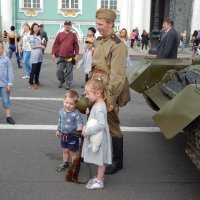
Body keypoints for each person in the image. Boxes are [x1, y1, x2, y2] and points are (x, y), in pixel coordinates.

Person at [90, 8, 128, 174]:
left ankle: (118, 161)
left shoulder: (118, 45)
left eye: (100, 24)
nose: (97, 26)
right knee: (92, 117)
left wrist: (110, 100)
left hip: (108, 89)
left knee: (112, 123)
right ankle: (95, 151)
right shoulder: (99, 40)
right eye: (97, 23)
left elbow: (118, 76)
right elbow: (95, 66)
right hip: (96, 86)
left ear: (110, 23)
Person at [82, 79, 112, 189]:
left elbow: (101, 124)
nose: (86, 96)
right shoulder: (99, 103)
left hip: (100, 138)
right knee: (100, 159)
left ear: (98, 93)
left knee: (101, 160)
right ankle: (99, 178)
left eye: (88, 93)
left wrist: (87, 131)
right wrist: (90, 113)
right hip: (99, 137)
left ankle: (99, 181)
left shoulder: (99, 106)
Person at [56, 90, 83, 172]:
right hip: (63, 135)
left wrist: (80, 127)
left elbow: (80, 122)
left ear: (75, 104)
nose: (68, 105)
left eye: (71, 104)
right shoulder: (61, 111)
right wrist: (58, 130)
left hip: (72, 136)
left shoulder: (76, 113)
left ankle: (75, 166)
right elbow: (60, 121)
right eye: (66, 102)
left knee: (72, 152)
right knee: (64, 150)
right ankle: (65, 163)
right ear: (63, 101)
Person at [52, 21, 79, 90]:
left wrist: (76, 55)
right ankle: (61, 80)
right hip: (61, 56)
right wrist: (53, 53)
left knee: (69, 71)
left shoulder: (73, 35)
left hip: (70, 57)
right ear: (64, 26)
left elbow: (76, 45)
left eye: (69, 25)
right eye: (66, 25)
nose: (67, 26)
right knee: (59, 70)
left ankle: (68, 83)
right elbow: (55, 44)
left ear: (71, 26)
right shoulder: (60, 34)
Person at [0, 42, 15, 124]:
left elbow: (10, 72)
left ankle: (8, 117)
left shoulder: (6, 59)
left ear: (2, 49)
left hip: (4, 84)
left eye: (0, 48)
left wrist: (9, 84)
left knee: (6, 101)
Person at [28, 23, 45, 89]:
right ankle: (31, 83)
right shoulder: (31, 36)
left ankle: (37, 81)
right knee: (34, 69)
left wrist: (43, 42)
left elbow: (39, 43)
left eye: (37, 27)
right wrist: (40, 45)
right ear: (32, 29)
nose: (36, 28)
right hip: (35, 54)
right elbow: (32, 46)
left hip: (40, 54)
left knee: (38, 69)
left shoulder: (39, 36)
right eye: (35, 27)